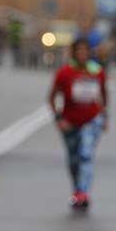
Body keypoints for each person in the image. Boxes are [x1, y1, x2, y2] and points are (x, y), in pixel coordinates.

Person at [48, 38, 108, 211]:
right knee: (74, 160)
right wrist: (59, 119)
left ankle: (83, 192)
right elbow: (52, 98)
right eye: (79, 51)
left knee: (85, 155)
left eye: (85, 50)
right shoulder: (65, 73)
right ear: (73, 53)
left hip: (91, 120)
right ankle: (77, 188)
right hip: (70, 121)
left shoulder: (97, 72)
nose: (82, 54)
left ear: (90, 53)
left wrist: (104, 117)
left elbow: (103, 96)